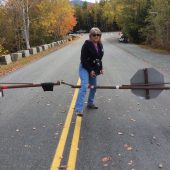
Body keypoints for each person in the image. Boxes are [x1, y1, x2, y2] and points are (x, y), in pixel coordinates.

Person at [75, 27, 104, 117]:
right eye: (94, 35)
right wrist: (90, 70)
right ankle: (79, 109)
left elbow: (99, 59)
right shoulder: (86, 45)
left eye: (98, 35)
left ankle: (90, 103)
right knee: (84, 85)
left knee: (93, 87)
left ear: (100, 36)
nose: (96, 36)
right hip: (84, 68)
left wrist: (101, 68)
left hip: (93, 68)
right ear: (90, 36)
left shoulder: (100, 45)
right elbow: (83, 60)